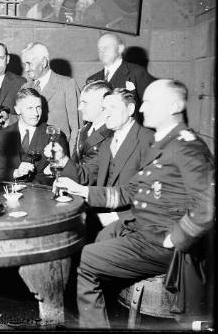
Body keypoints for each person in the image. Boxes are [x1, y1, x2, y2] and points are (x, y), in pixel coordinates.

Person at [53, 79, 215, 328]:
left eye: (149, 102)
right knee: (99, 239)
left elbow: (206, 206)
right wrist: (82, 190)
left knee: (86, 259)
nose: (141, 108)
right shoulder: (163, 143)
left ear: (173, 106)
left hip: (161, 241)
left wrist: (175, 238)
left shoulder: (186, 146)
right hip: (140, 227)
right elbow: (130, 191)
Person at [49, 88, 154, 241]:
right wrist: (63, 159)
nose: (107, 113)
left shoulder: (148, 140)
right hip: (104, 212)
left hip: (132, 223)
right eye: (104, 108)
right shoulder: (108, 142)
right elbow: (88, 175)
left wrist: (113, 216)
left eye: (113, 108)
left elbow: (147, 196)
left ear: (130, 109)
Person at [0, 88, 68, 185]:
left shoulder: (55, 134)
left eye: (38, 107)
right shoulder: (3, 135)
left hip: (43, 195)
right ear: (17, 110)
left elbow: (65, 173)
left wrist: (53, 170)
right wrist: (16, 173)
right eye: (30, 108)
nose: (36, 113)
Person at [21, 42, 81, 154]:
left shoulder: (67, 84)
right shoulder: (25, 88)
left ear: (43, 62)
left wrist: (71, 160)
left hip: (58, 156)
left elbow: (77, 128)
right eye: (25, 64)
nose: (26, 69)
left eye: (29, 63)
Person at [86, 33, 155, 111]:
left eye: (106, 47)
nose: (102, 51)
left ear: (120, 48)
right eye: (100, 48)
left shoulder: (137, 73)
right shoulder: (92, 80)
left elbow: (153, 106)